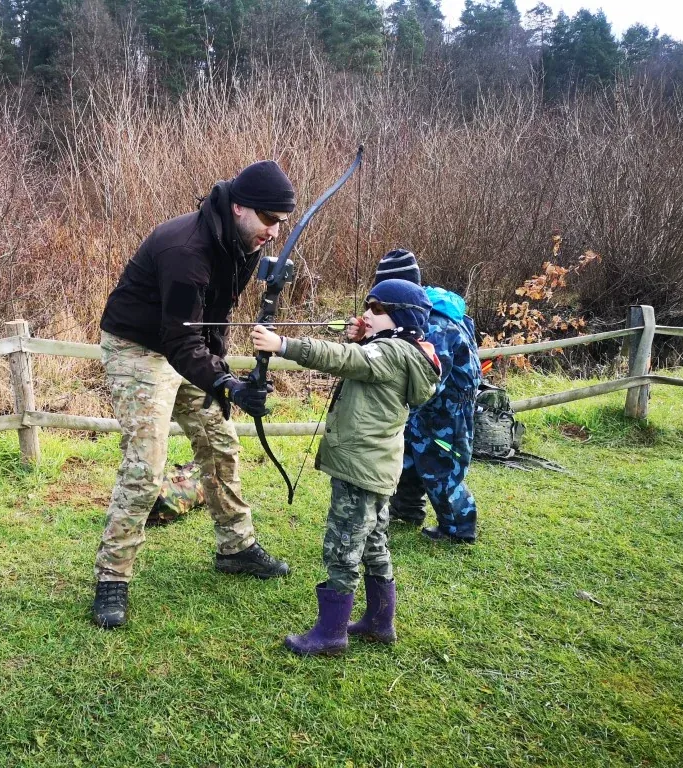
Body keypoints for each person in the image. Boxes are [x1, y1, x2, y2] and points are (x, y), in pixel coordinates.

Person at [92, 160, 297, 630]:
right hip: (137, 348)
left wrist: (222, 374)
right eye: (269, 220)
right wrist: (225, 383)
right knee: (146, 465)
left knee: (220, 444)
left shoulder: (241, 243)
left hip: (187, 346)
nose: (273, 232)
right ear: (240, 206)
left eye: (281, 224)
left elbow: (214, 319)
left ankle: (237, 548)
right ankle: (112, 577)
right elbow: (179, 339)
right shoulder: (186, 249)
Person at [250, 278, 441, 655]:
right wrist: (366, 336)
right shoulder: (405, 352)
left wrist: (283, 345)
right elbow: (364, 360)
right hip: (377, 467)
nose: (366, 314)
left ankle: (331, 633)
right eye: (368, 306)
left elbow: (344, 359)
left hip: (360, 469)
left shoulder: (390, 353)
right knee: (373, 543)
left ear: (400, 317)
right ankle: (379, 622)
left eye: (377, 309)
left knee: (343, 548)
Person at [373, 250, 482, 544]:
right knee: (408, 459)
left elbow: (431, 376)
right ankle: (407, 508)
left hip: (447, 410)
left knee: (441, 467)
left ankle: (458, 528)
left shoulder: (435, 322)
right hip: (423, 409)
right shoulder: (411, 313)